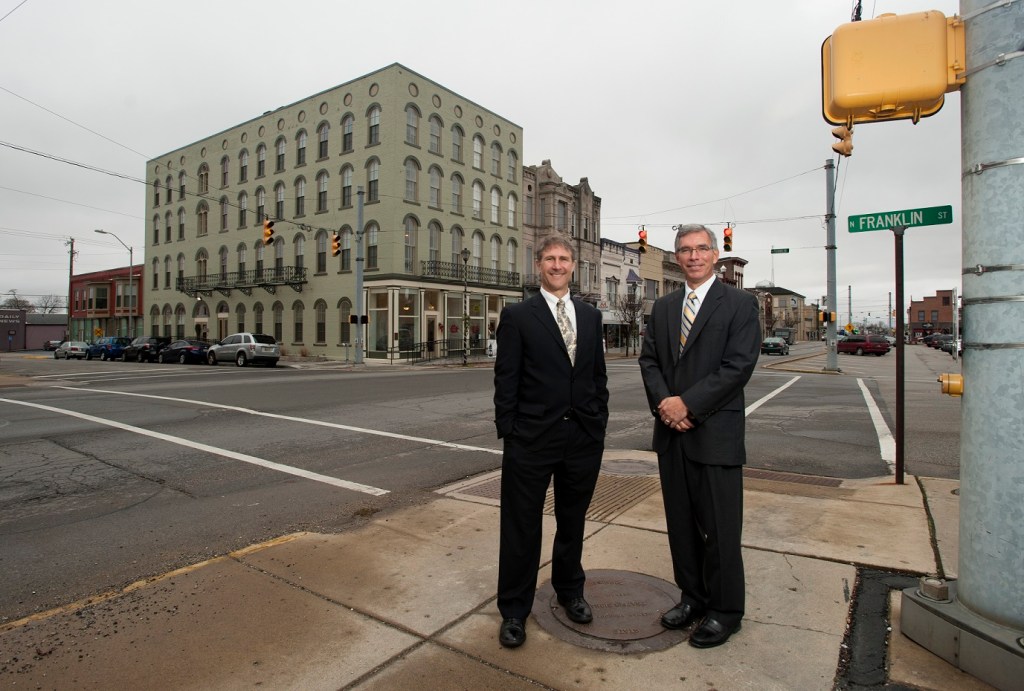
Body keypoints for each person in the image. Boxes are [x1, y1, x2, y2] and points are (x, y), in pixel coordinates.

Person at [638, 223, 761, 649]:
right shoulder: (665, 307)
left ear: (714, 254)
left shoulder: (740, 305)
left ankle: (725, 611)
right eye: (685, 249)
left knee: (720, 529)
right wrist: (666, 406)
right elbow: (649, 361)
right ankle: (692, 597)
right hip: (672, 435)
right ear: (677, 256)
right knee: (681, 526)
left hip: (715, 435)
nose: (692, 256)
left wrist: (686, 404)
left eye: (701, 249)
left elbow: (738, 366)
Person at [493, 235, 609, 648]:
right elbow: (505, 378)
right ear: (538, 264)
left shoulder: (591, 317)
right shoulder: (518, 315)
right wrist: (510, 431)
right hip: (531, 440)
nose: (557, 265)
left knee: (572, 521)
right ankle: (513, 610)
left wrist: (598, 423)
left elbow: (597, 377)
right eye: (549, 259)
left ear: (573, 265)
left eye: (563, 259)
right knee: (521, 526)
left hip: (582, 437)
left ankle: (569, 590)